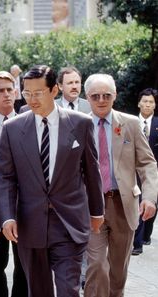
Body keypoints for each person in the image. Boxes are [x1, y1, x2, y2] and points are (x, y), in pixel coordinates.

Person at [0, 65, 104, 297]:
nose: (32, 99)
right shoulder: (12, 128)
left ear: (54, 90)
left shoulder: (81, 123)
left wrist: (96, 212)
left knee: (68, 289)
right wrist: (7, 217)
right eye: (27, 93)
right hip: (29, 224)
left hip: (69, 223)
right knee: (39, 291)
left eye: (38, 93)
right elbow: (4, 176)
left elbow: (92, 171)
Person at [83, 74, 158, 297]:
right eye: (95, 96)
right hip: (92, 207)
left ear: (115, 96)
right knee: (96, 265)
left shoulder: (131, 124)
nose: (101, 100)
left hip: (123, 206)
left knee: (118, 270)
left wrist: (150, 197)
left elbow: (147, 163)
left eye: (107, 95)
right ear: (87, 98)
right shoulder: (78, 124)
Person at [0, 71, 28, 297]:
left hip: (26, 208)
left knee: (25, 267)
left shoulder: (29, 125)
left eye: (10, 90)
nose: (7, 94)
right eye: (0, 91)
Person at [132, 88, 158, 255]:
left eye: (151, 102)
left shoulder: (156, 124)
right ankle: (137, 243)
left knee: (151, 203)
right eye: (145, 101)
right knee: (138, 202)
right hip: (133, 171)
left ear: (155, 105)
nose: (148, 105)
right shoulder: (130, 122)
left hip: (153, 172)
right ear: (139, 103)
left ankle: (146, 234)